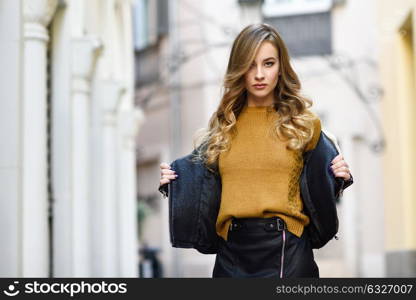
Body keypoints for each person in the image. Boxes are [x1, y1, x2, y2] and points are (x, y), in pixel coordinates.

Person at [159, 23, 352, 278]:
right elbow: (201, 184)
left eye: (268, 63)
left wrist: (340, 176)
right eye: (250, 64)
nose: (259, 74)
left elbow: (323, 182)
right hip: (230, 254)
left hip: (287, 251)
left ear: (281, 67)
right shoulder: (223, 127)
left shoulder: (304, 124)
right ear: (239, 69)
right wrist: (174, 180)